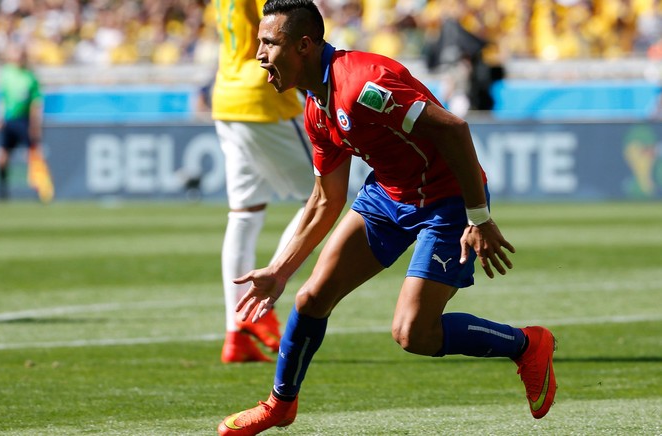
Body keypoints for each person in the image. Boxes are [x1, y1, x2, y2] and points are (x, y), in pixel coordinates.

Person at [217, 0, 558, 434]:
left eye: (268, 43)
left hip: (448, 200)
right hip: (388, 195)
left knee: (413, 334)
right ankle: (279, 405)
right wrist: (280, 271)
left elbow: (452, 128)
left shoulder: (363, 85)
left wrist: (478, 217)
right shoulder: (316, 107)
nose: (259, 54)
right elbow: (325, 199)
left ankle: (527, 344)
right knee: (309, 299)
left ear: (303, 46)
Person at [212, 0, 315, 363]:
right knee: (321, 197)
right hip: (263, 96)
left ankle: (236, 332)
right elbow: (281, 28)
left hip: (226, 96)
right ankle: (263, 297)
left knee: (243, 213)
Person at [0, 42, 44, 201]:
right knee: (1, 157)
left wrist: (35, 125)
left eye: (20, 54)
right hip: (9, 120)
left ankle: (41, 191)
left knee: (33, 156)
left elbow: (36, 103)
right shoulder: (6, 73)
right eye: (15, 53)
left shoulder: (30, 77)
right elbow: (1, 98)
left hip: (24, 120)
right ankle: (2, 191)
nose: (18, 57)